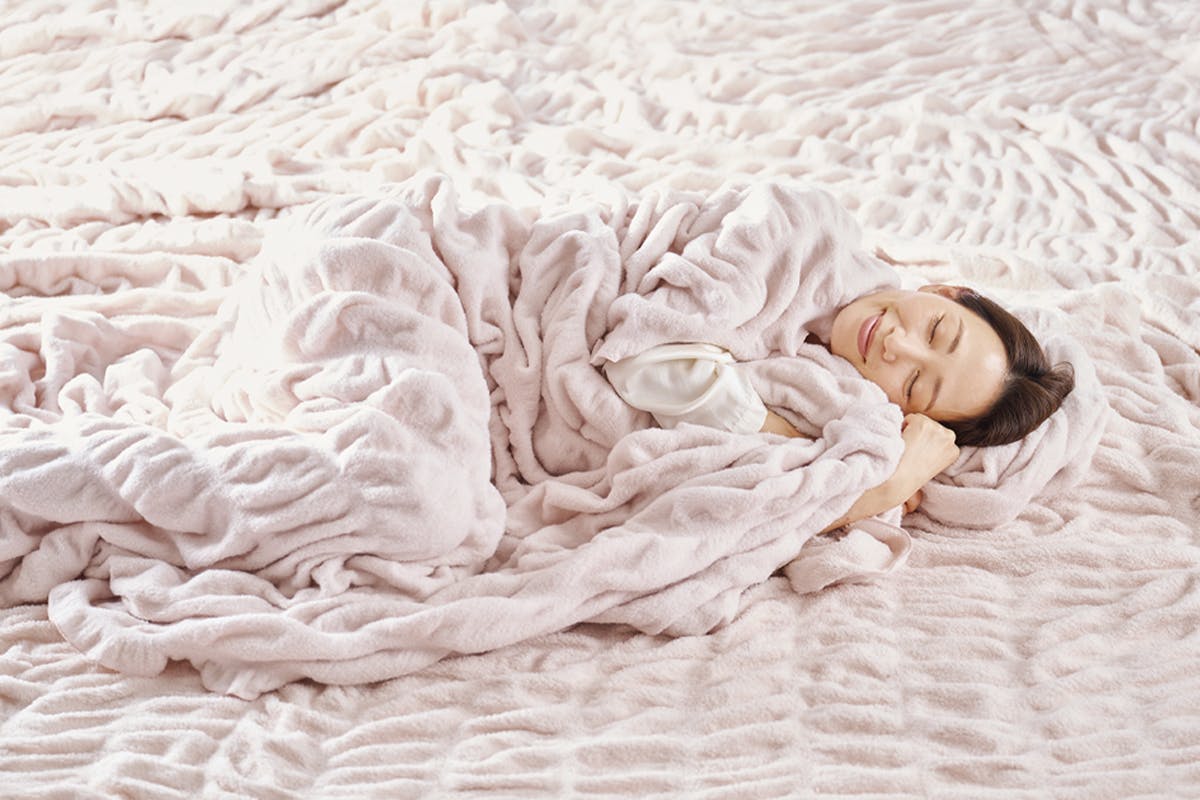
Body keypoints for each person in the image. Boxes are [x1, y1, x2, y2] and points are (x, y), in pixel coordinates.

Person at [604, 283, 1075, 530]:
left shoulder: (830, 410)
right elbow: (636, 349)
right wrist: (784, 434)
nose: (897, 345)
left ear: (902, 415)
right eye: (935, 329)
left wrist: (891, 486)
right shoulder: (812, 253)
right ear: (943, 291)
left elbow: (740, 523)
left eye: (914, 384)